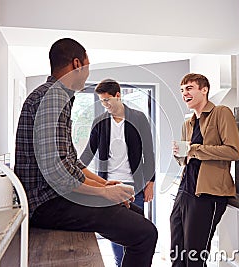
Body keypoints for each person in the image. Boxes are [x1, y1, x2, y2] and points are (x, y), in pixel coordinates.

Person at [14, 38, 157, 267]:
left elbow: (71, 162)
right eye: (88, 66)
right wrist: (102, 194)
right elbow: (57, 174)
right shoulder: (53, 98)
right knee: (146, 233)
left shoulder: (56, 96)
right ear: (77, 63)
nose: (88, 73)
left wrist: (104, 185)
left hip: (53, 198)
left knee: (135, 214)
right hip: (45, 204)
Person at [80, 79, 155, 267]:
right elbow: (89, 152)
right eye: (101, 101)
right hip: (109, 188)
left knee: (137, 236)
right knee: (116, 238)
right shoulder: (100, 122)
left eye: (107, 100)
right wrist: (73, 168)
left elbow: (149, 151)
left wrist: (151, 182)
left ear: (118, 96)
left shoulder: (138, 118)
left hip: (134, 187)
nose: (104, 105)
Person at [170, 73, 239, 267]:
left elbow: (234, 151)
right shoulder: (188, 123)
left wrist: (194, 149)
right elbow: (186, 160)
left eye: (189, 88)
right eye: (182, 90)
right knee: (177, 251)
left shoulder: (221, 113)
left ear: (204, 90)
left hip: (208, 194)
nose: (185, 93)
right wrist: (179, 154)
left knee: (195, 254)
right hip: (185, 190)